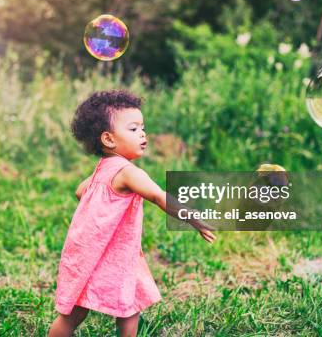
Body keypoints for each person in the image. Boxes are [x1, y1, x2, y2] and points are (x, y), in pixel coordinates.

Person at [48, 90, 216, 337]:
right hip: (111, 253)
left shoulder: (101, 169)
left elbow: (79, 191)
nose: (143, 134)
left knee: (78, 312)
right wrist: (193, 218)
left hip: (91, 250)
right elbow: (159, 196)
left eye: (143, 127)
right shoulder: (128, 172)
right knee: (126, 309)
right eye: (134, 129)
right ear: (108, 139)